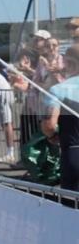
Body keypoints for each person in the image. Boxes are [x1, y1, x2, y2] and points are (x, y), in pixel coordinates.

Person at [42, 46, 79, 191]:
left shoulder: (58, 89)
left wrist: (52, 136)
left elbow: (49, 124)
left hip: (74, 152)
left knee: (71, 206)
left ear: (69, 64)